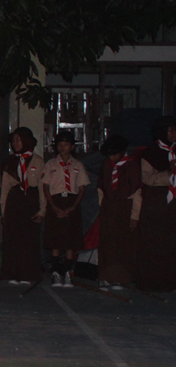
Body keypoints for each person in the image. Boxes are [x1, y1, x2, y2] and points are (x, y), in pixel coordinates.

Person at [40, 129, 88, 288]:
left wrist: (73, 207)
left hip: (72, 201)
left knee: (70, 240)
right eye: (60, 144)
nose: (63, 147)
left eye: (66, 144)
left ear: (72, 147)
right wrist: (53, 206)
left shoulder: (78, 165)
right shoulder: (51, 164)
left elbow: (82, 189)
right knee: (55, 239)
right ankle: (56, 272)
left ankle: (68, 272)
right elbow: (45, 187)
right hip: (56, 201)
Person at [135, 116, 176, 292]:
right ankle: (152, 282)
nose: (174, 133)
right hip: (157, 204)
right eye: (171, 130)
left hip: (173, 206)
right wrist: (169, 172)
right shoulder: (150, 153)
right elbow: (147, 178)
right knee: (154, 244)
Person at [0, 127, 45, 284]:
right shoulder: (10, 161)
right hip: (15, 200)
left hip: (30, 200)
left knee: (29, 239)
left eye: (19, 139)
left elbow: (42, 188)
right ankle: (13, 273)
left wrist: (42, 210)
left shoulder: (38, 161)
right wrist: (4, 211)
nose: (15, 143)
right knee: (13, 239)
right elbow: (5, 189)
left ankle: (28, 274)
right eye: (13, 140)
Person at [96, 134, 141, 290]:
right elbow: (101, 188)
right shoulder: (106, 165)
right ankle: (105, 276)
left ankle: (120, 278)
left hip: (125, 207)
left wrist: (135, 216)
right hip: (109, 207)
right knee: (107, 243)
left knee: (122, 244)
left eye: (114, 154)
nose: (112, 157)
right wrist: (103, 206)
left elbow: (136, 193)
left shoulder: (131, 166)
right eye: (109, 154)